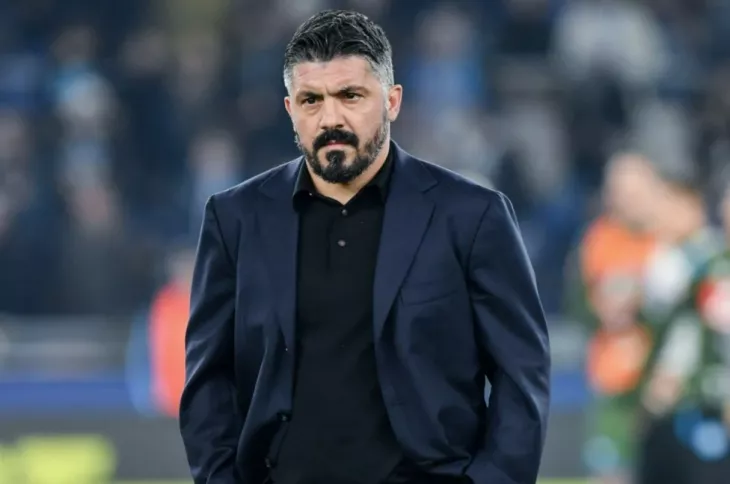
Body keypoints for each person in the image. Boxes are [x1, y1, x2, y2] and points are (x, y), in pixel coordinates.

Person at [179, 10, 550, 484]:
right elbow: (208, 380)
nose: (330, 118)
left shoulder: (472, 216)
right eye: (311, 100)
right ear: (290, 110)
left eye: (350, 96)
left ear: (392, 101)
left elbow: (521, 373)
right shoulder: (235, 218)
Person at [564, 152, 660, 484]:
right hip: (612, 378)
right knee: (610, 471)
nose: (626, 199)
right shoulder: (597, 239)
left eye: (634, 191)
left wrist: (640, 306)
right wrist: (601, 310)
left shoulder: (667, 240)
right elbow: (577, 304)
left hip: (664, 384)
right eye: (618, 190)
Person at [637, 171, 726, 484]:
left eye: (669, 203)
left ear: (693, 207)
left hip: (703, 401)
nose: (660, 212)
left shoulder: (712, 262)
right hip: (661, 401)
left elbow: (708, 331)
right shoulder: (662, 258)